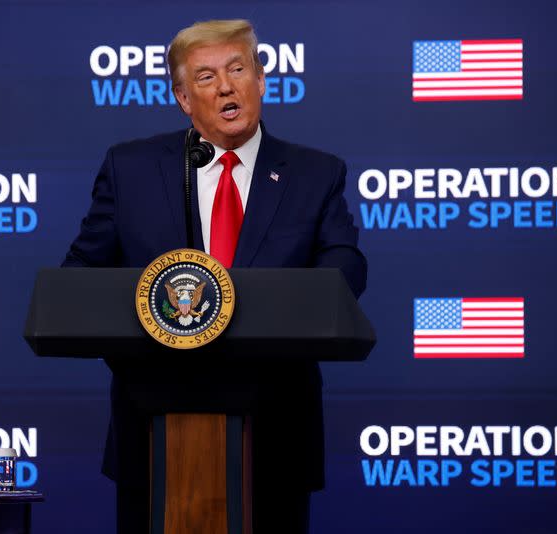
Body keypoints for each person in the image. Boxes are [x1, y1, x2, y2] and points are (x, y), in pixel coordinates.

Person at [62, 19, 367, 533]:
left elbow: (344, 271)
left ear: (262, 79)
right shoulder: (131, 168)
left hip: (275, 431)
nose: (226, 86)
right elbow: (82, 276)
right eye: (205, 77)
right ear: (183, 98)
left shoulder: (316, 173)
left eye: (238, 69)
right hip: (154, 424)